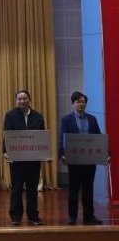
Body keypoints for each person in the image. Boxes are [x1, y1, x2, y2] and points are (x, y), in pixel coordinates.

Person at [59, 91, 104, 225]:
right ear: (73, 104)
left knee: (88, 190)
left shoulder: (92, 119)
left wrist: (106, 154)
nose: (81, 104)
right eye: (78, 102)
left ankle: (89, 216)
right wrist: (62, 154)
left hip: (90, 160)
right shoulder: (66, 119)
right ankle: (72, 217)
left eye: (83, 102)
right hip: (74, 160)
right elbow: (62, 138)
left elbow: (99, 137)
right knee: (73, 189)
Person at [3, 89, 45, 226]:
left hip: (33, 159)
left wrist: (45, 152)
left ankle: (33, 216)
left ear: (29, 100)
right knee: (17, 188)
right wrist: (6, 151)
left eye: (24, 98)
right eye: (19, 99)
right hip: (17, 158)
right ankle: (16, 217)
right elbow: (7, 134)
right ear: (16, 101)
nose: (22, 101)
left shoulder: (38, 116)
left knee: (32, 188)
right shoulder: (10, 115)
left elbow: (42, 137)